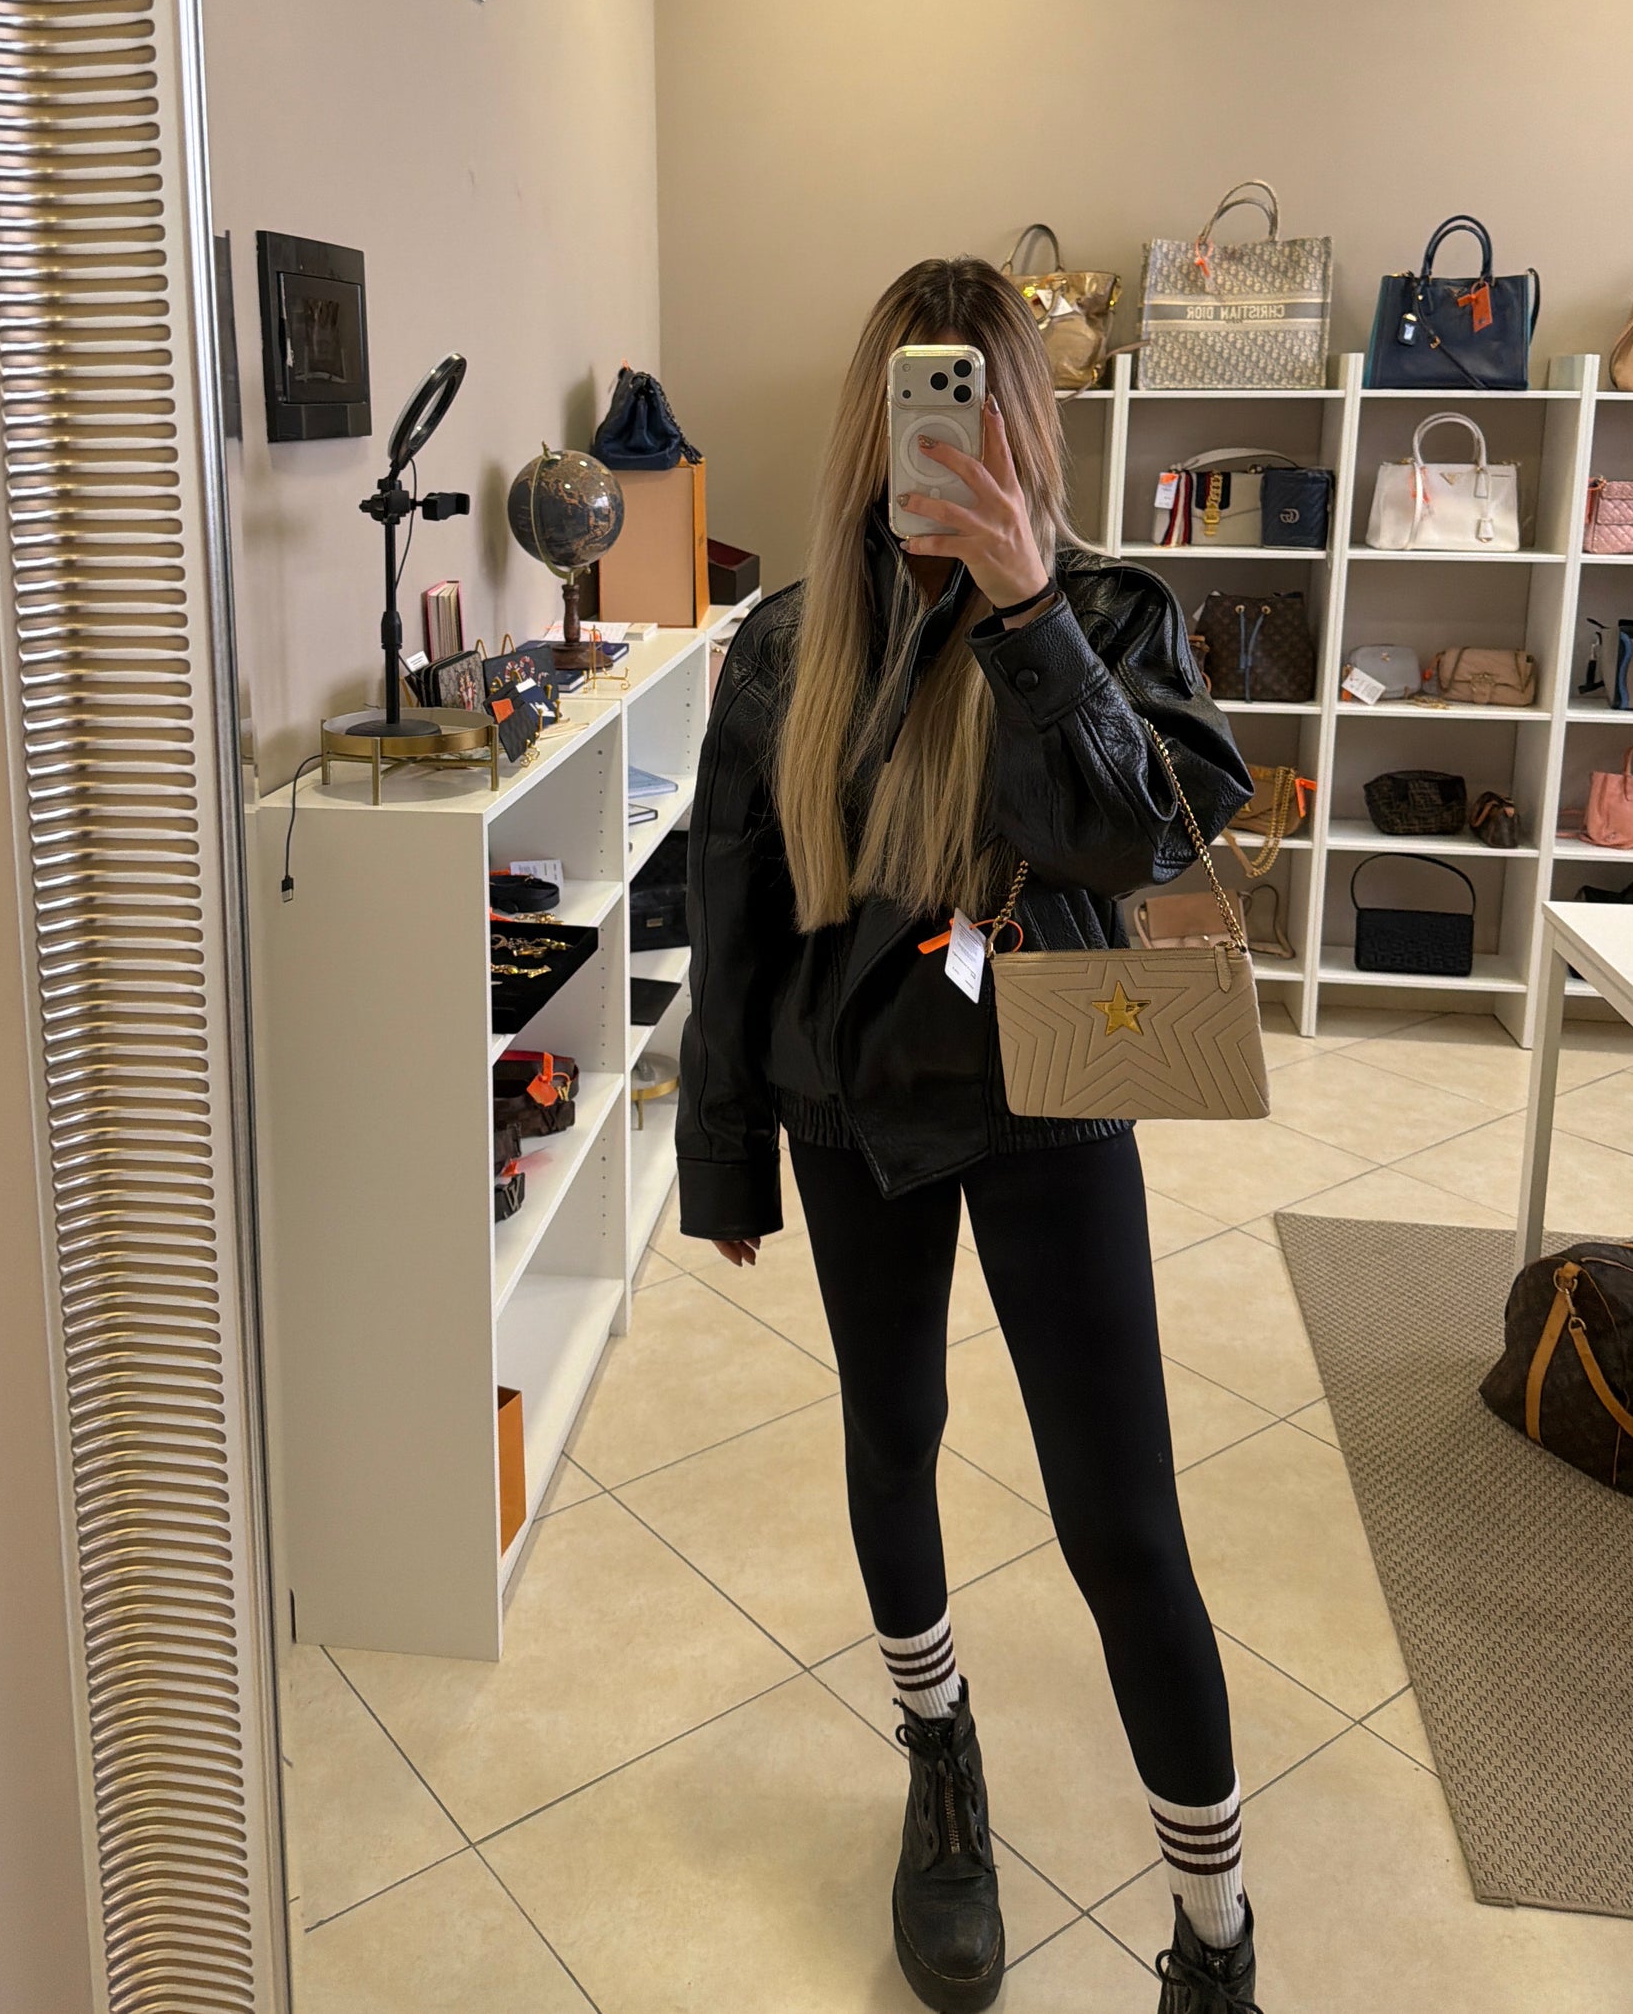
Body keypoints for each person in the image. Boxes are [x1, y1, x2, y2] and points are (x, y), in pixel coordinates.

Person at [675, 256, 1263, 2014]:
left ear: (1027, 423)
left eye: (981, 403)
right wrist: (722, 1150)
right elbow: (733, 910)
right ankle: (939, 1759)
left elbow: (1133, 839)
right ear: (877, 418)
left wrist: (1025, 612)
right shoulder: (786, 642)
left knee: (1120, 1522)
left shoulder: (1113, 616)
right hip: (849, 1106)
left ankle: (1216, 1938)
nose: (948, 437)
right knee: (892, 1439)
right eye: (921, 400)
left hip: (1048, 1092)